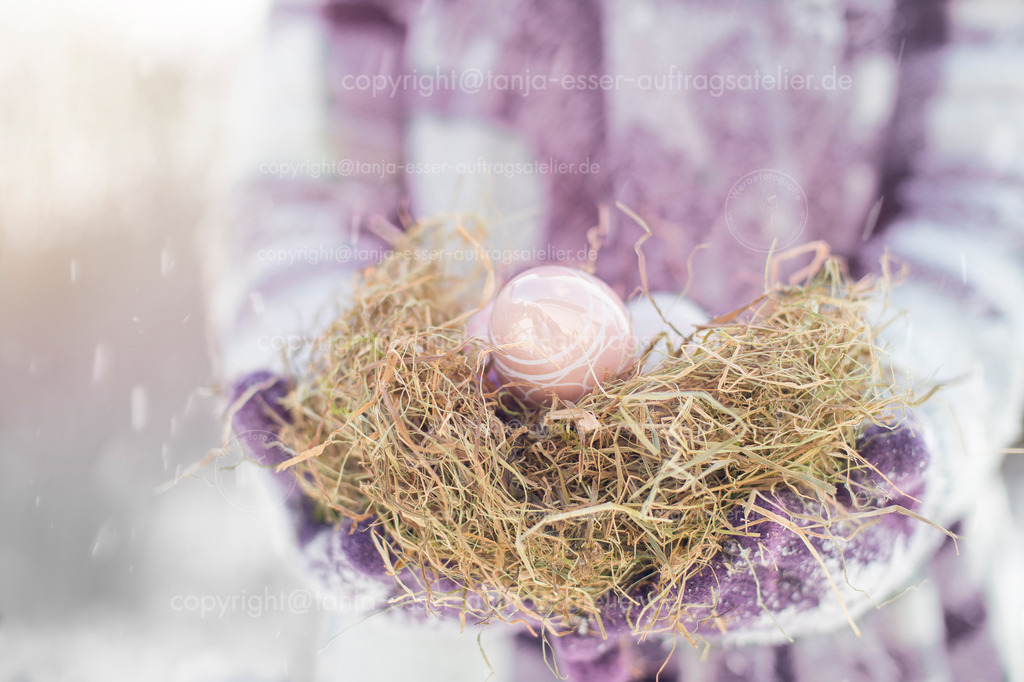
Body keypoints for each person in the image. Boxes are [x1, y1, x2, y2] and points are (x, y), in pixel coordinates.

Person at [207, 1, 1024, 679]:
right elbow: (304, 195)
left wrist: (896, 417)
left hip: (868, 627)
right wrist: (321, 382)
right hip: (467, 632)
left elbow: (991, 190)